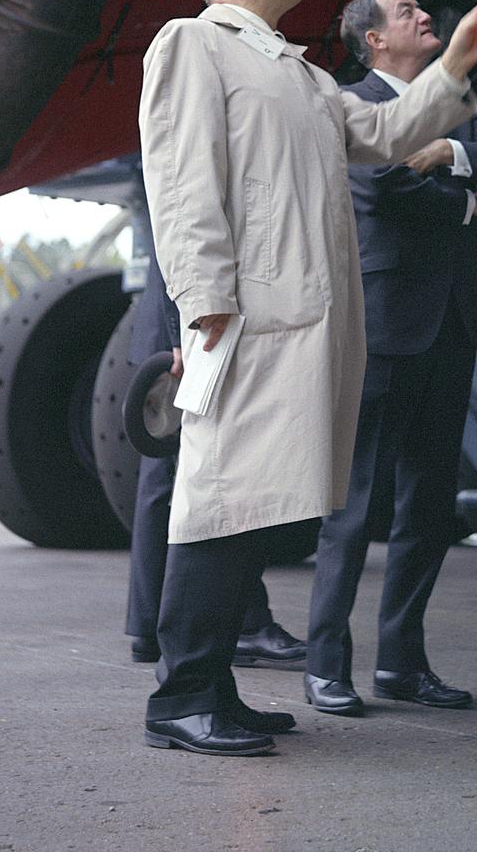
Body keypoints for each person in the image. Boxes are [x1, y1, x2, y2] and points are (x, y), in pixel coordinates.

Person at [138, 0, 477, 757]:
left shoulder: (295, 71)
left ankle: (216, 689)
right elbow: (181, 181)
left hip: (291, 319)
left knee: (252, 505)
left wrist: (452, 68)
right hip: (242, 314)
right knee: (218, 499)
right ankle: (181, 697)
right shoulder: (193, 43)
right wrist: (202, 301)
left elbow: (380, 136)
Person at [304, 0, 477, 716]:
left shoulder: (456, 98)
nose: (422, 15)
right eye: (404, 12)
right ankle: (325, 665)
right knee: (354, 503)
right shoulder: (352, 105)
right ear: (372, 40)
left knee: (429, 507)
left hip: (451, 325)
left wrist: (453, 154)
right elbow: (382, 190)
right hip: (385, 322)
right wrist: (473, 201)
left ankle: (401, 664)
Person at [124, 238, 307, 670]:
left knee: (166, 484)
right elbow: (184, 234)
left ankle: (150, 628)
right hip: (190, 334)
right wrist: (181, 334)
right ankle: (244, 623)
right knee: (209, 478)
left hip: (180, 327)